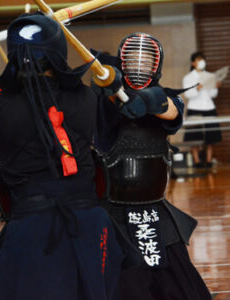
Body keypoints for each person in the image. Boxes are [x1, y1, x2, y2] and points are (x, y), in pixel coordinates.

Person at [0, 12, 124, 300]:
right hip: (92, 227)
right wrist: (108, 66)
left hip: (31, 234)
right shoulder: (87, 97)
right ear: (59, 52)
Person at [92, 33, 212, 299]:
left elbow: (171, 110)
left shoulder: (167, 97)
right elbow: (106, 101)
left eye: (144, 60)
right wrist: (109, 85)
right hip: (113, 212)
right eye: (131, 59)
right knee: (125, 284)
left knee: (183, 288)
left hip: (155, 211)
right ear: (122, 61)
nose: (138, 64)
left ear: (155, 65)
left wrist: (146, 100)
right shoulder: (105, 100)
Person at [183, 51, 222, 169]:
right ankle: (197, 161)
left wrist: (215, 87)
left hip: (209, 107)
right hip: (194, 108)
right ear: (193, 63)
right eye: (199, 60)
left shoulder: (210, 75)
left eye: (203, 59)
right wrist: (197, 89)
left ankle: (209, 161)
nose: (201, 62)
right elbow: (188, 94)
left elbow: (213, 94)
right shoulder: (188, 77)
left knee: (211, 136)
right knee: (194, 136)